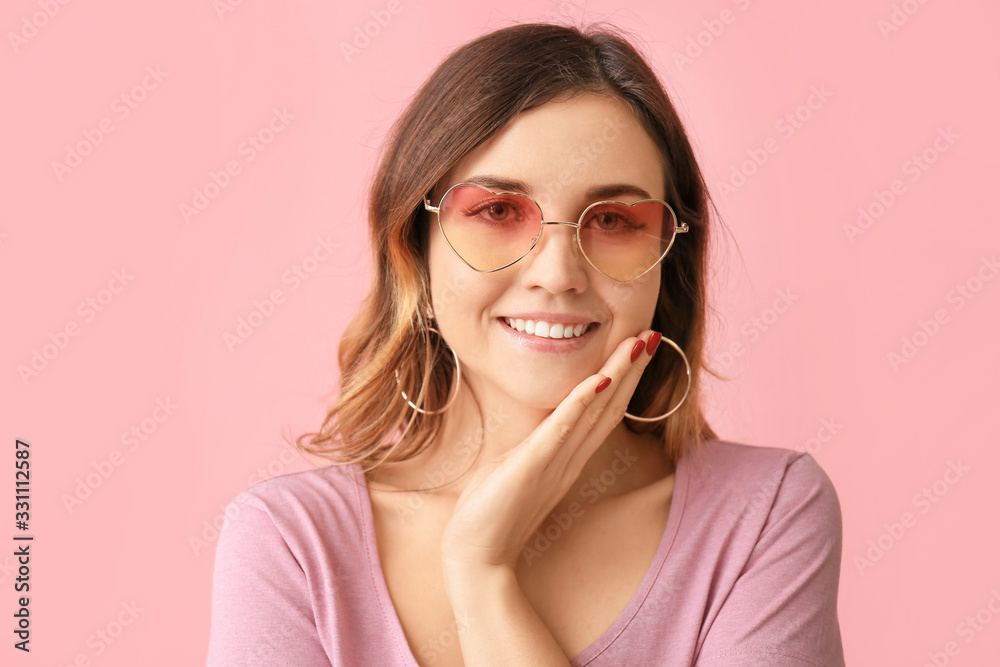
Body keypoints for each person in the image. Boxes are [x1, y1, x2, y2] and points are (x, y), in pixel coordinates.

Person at [206, 22, 845, 666]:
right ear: (415, 253)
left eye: (615, 220)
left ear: (667, 256)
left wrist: (483, 574)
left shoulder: (765, 514)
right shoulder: (291, 545)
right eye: (499, 212)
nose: (558, 274)